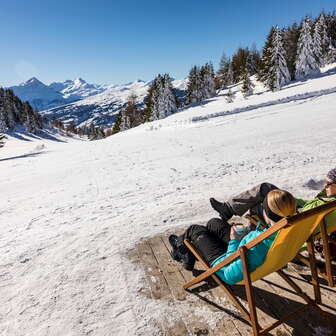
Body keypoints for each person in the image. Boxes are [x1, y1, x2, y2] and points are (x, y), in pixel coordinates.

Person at [169, 189, 296, 285]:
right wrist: (245, 234)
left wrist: (234, 240)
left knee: (195, 230)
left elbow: (230, 274)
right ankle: (188, 254)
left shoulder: (260, 243)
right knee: (214, 223)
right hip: (244, 251)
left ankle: (180, 251)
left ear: (267, 213)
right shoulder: (289, 231)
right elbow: (253, 250)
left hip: (225, 264)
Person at [210, 167, 336, 233]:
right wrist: (291, 200)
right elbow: (308, 206)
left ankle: (248, 234)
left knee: (259, 204)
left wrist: (288, 203)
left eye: (329, 183)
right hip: (294, 212)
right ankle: (228, 209)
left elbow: (306, 215)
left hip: (290, 220)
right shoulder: (329, 200)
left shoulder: (329, 204)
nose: (325, 186)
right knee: (266, 188)